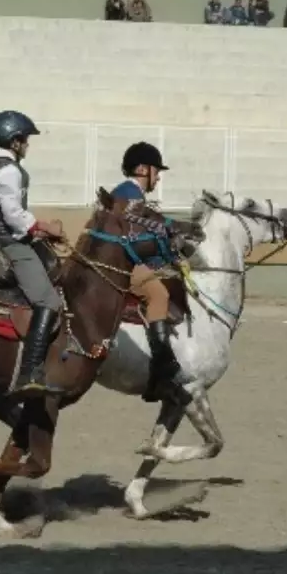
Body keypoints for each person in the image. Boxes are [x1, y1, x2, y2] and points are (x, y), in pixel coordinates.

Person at [0, 110, 67, 397]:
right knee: (49, 300)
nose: (27, 145)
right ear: (14, 141)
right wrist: (44, 227)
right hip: (9, 244)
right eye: (25, 139)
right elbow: (13, 215)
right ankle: (30, 372)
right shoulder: (11, 171)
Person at [110, 142, 190, 402]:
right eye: (157, 170)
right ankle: (162, 369)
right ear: (143, 169)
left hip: (121, 259)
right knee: (159, 296)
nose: (158, 176)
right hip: (120, 263)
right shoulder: (129, 194)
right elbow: (135, 238)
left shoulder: (127, 193)